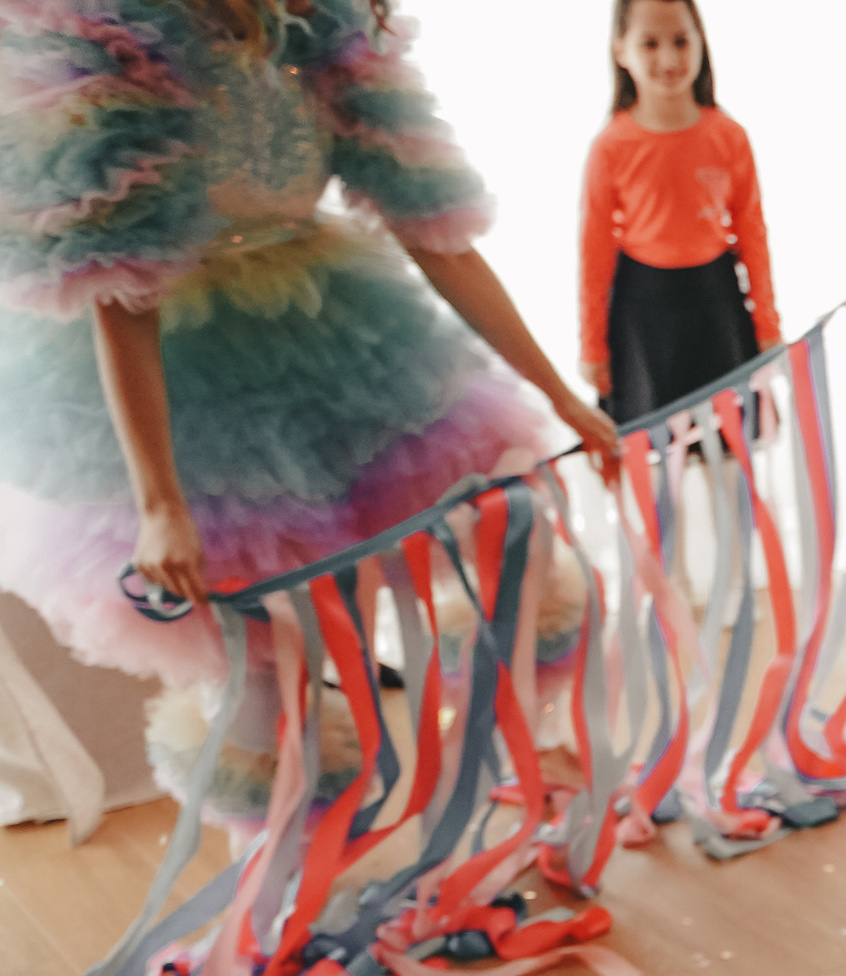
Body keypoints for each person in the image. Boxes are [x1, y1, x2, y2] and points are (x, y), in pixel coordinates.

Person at [0, 0, 618, 828]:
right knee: (265, 654)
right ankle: (280, 892)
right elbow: (123, 297)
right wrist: (160, 500)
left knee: (513, 531)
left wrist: (563, 393)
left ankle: (515, 761)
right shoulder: (116, 47)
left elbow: (439, 239)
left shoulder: (327, 36)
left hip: (348, 342)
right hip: (195, 387)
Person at [580, 0, 781, 426]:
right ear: (620, 50)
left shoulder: (729, 136)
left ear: (701, 43)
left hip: (716, 302)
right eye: (650, 44)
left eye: (680, 41)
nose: (669, 58)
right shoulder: (610, 147)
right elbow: (593, 256)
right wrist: (592, 348)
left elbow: (752, 234)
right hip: (642, 314)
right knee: (656, 450)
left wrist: (767, 324)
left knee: (730, 440)